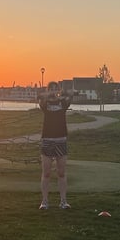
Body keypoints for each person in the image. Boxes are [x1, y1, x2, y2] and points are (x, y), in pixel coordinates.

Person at [38, 81, 73, 210]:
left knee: (61, 172)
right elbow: (40, 98)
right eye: (51, 88)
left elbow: (70, 97)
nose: (53, 90)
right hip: (47, 140)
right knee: (46, 173)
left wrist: (66, 93)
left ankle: (63, 201)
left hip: (61, 140)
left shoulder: (63, 103)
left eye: (55, 88)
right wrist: (48, 95)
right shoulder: (45, 103)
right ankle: (45, 201)